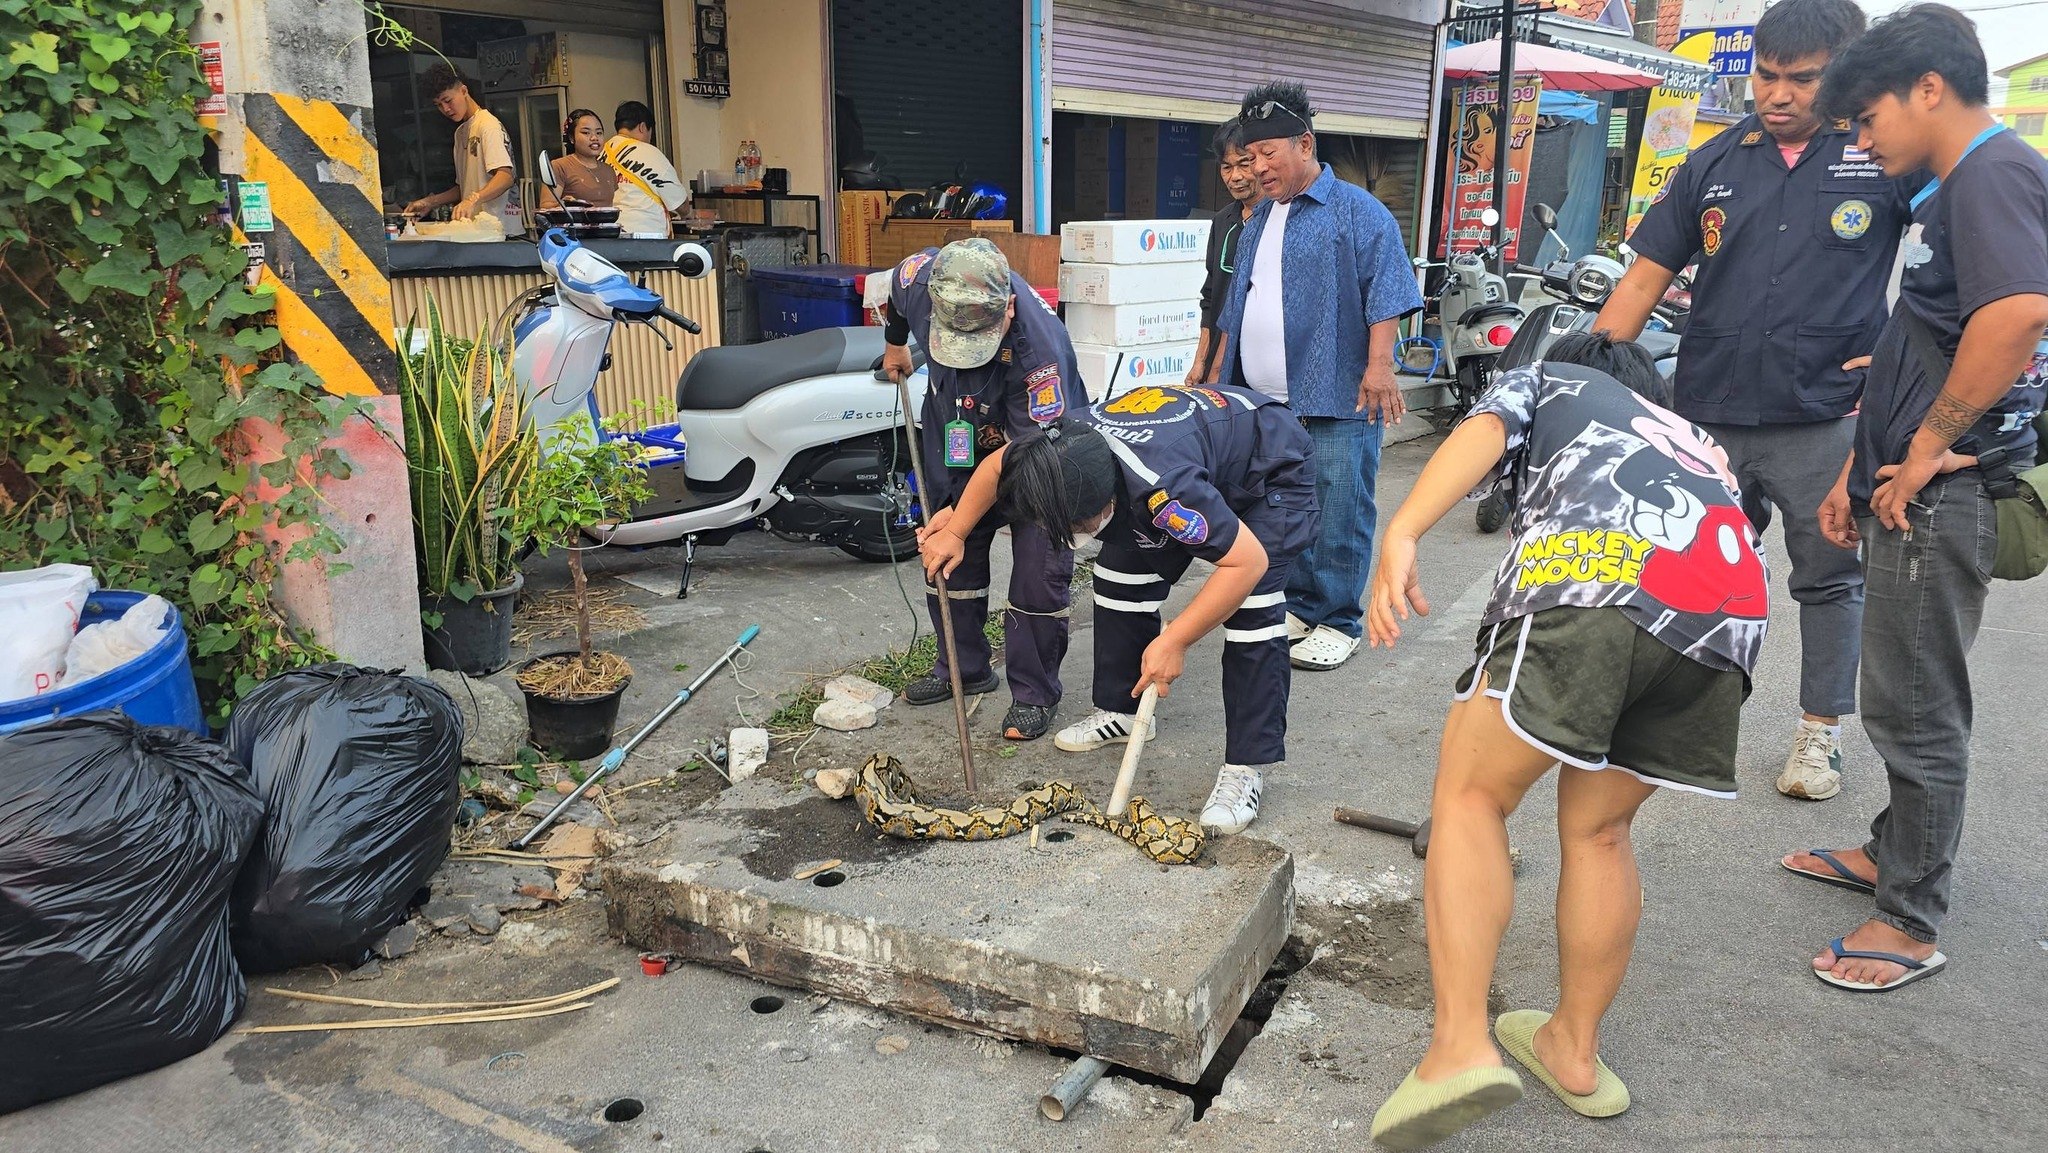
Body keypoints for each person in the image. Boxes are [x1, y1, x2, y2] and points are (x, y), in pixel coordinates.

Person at [1364, 333, 1767, 1149]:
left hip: (1597, 576)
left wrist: (1402, 531)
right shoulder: (1695, 439)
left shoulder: (1553, 378)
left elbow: (1485, 429)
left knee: (1473, 796)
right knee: (1601, 829)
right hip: (1726, 619)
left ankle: (1458, 1047)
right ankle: (1573, 1051)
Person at [1594, 0, 1920, 803]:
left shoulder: (1881, 158)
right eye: (1766, 76)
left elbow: (1954, 272)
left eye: (1801, 80)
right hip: (1709, 412)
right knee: (1682, 565)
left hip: (1827, 417)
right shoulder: (1714, 161)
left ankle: (1819, 734)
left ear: (1843, 75)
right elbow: (1643, 279)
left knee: (1829, 578)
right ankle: (1669, 717)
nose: (1777, 95)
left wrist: (1903, 355)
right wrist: (1582, 378)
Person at [1784, 4, 2048, 993]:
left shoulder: (1992, 173)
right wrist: (1859, 469)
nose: (1861, 140)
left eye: (1867, 117)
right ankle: (1891, 853)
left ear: (1928, 89)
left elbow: (2017, 315)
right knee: (1902, 691)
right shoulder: (1956, 187)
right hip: (1905, 484)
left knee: (1916, 707)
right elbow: (1935, 331)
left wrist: (1927, 446)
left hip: (1943, 494)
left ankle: (1908, 918)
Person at [919, 382, 1318, 836]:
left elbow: (1247, 563)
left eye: (1075, 526)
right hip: (1189, 446)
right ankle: (1123, 712)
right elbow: (997, 465)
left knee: (1252, 607)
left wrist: (1176, 640)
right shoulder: (1055, 448)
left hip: (1266, 465)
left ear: (1111, 501)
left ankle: (1245, 768)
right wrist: (957, 529)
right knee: (1118, 578)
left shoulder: (1165, 490)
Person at [1215, 81, 1425, 672]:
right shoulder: (1258, 219)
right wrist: (1217, 380)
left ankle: (1338, 619)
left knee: (1339, 506)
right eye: (1249, 157)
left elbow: (1387, 291)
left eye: (1267, 154)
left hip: (1335, 392)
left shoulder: (1358, 210)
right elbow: (1236, 306)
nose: (1257, 168)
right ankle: (1302, 605)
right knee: (1285, 505)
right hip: (1264, 398)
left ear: (1304, 144)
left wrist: (1380, 368)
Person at [881, 239, 1088, 742]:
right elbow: (895, 290)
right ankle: (963, 667)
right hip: (954, 432)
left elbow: (1014, 461)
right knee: (947, 555)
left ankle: (1034, 693)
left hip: (1035, 456)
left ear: (1008, 306)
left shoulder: (1038, 359)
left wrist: (961, 520)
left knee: (1037, 572)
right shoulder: (921, 279)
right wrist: (895, 343)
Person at [1188, 119, 1259, 386]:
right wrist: (1201, 361)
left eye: (1244, 164)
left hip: (1258, 367)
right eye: (1227, 167)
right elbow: (1210, 296)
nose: (1235, 176)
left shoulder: (1278, 220)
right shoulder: (1222, 221)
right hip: (1219, 369)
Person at [403, 65, 513, 224]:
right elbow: (463, 187)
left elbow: (505, 177)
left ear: (464, 91)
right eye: (438, 105)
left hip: (498, 227)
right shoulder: (460, 133)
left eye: (448, 101)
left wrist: (472, 199)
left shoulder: (487, 125)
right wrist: (429, 202)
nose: (446, 109)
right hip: (475, 228)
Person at [603, 101, 688, 239]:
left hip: (609, 234)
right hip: (647, 237)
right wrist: (689, 214)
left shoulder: (600, 153)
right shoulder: (649, 152)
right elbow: (681, 205)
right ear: (642, 127)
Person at [541, 108, 617, 209]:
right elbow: (546, 207)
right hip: (573, 220)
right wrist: (568, 205)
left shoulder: (609, 170)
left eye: (599, 133)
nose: (594, 138)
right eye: (586, 133)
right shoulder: (559, 166)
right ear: (572, 138)